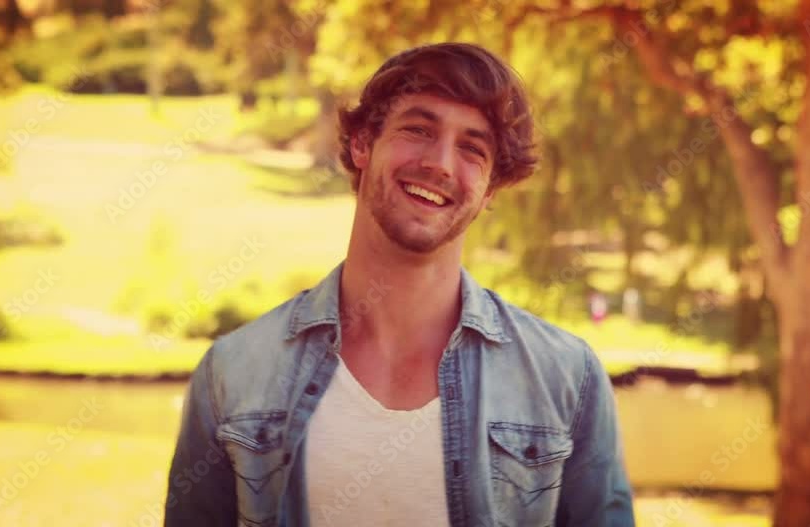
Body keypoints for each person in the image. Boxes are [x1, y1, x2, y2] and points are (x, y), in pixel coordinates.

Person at [164, 42, 634, 527]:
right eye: (418, 129)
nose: (441, 164)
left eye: (472, 149)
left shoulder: (567, 380)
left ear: (490, 188)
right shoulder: (234, 374)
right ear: (362, 144)